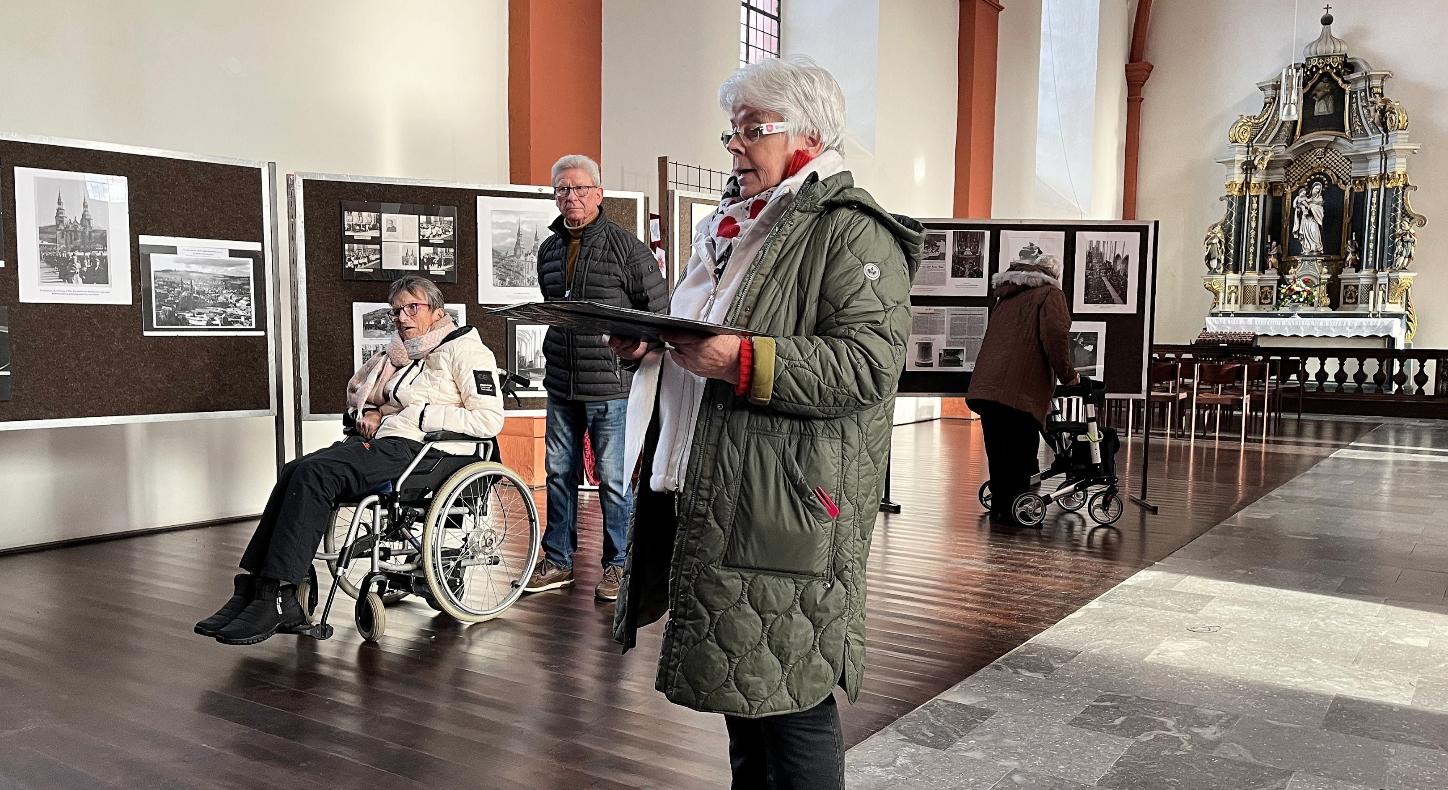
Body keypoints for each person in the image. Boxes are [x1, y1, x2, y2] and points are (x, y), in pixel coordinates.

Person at [608, 57, 920, 789]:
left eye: (753, 129)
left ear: (808, 134)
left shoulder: (850, 233)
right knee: (745, 700)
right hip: (722, 490)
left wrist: (739, 361)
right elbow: (709, 331)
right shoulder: (734, 229)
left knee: (792, 703)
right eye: (732, 131)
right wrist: (654, 344)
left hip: (785, 505)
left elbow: (866, 368)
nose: (735, 146)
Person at [194, 275, 504, 645]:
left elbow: (489, 420)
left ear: (437, 312)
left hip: (434, 454)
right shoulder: (415, 354)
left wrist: (420, 416)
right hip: (398, 444)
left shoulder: (467, 352)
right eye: (396, 312)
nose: (402, 317)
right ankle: (254, 589)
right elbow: (393, 401)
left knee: (316, 475)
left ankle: (281, 594)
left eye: (412, 308)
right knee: (296, 468)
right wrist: (375, 413)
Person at [524, 154, 669, 602]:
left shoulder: (628, 249)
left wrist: (638, 348)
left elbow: (659, 310)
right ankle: (559, 560)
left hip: (610, 385)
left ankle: (619, 564)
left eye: (580, 188)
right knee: (558, 474)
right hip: (561, 384)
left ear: (599, 194)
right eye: (563, 189)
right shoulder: (547, 251)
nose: (572, 197)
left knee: (613, 478)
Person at [966, 254, 1079, 527]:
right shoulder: (1050, 294)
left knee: (999, 453)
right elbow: (1056, 337)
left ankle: (1002, 509)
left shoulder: (1006, 295)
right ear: (1053, 274)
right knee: (1021, 454)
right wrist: (1069, 376)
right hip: (1020, 389)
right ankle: (1019, 512)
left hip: (987, 387)